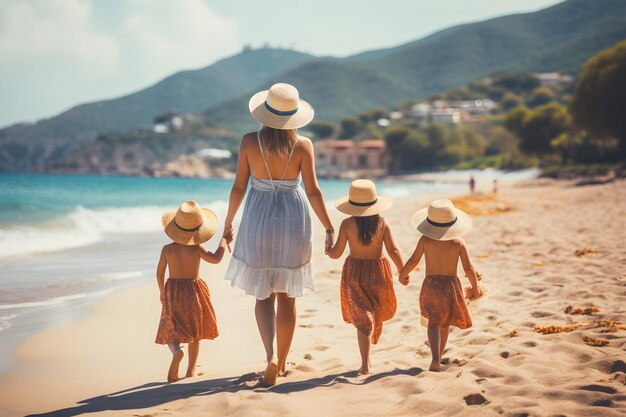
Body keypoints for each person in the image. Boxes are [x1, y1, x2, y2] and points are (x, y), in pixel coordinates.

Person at [223, 83, 334, 386]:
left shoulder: (248, 141)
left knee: (263, 294)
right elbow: (313, 190)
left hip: (258, 216)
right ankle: (282, 362)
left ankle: (270, 355)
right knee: (287, 296)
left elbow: (238, 187)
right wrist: (328, 225)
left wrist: (227, 223)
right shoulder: (303, 145)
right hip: (293, 218)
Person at [327, 179, 403, 375]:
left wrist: (328, 243)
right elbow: (393, 250)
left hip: (355, 274)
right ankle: (367, 361)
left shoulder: (347, 224)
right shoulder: (383, 222)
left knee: (363, 319)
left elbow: (335, 254)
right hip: (379, 273)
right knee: (372, 314)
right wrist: (402, 270)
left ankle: (365, 365)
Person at [399, 199, 482, 372]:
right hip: (450, 287)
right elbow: (468, 268)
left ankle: (435, 359)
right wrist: (475, 288)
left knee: (433, 323)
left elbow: (414, 260)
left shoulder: (425, 240)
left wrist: (403, 273)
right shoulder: (458, 243)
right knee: (445, 323)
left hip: (431, 285)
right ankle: (437, 358)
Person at [155, 200, 233, 382]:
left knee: (170, 328)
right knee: (195, 331)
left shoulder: (167, 249)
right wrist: (224, 240)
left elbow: (159, 273)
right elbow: (215, 259)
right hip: (194, 291)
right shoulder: (196, 248)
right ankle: (191, 370)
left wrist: (161, 292)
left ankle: (176, 352)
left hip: (173, 292)